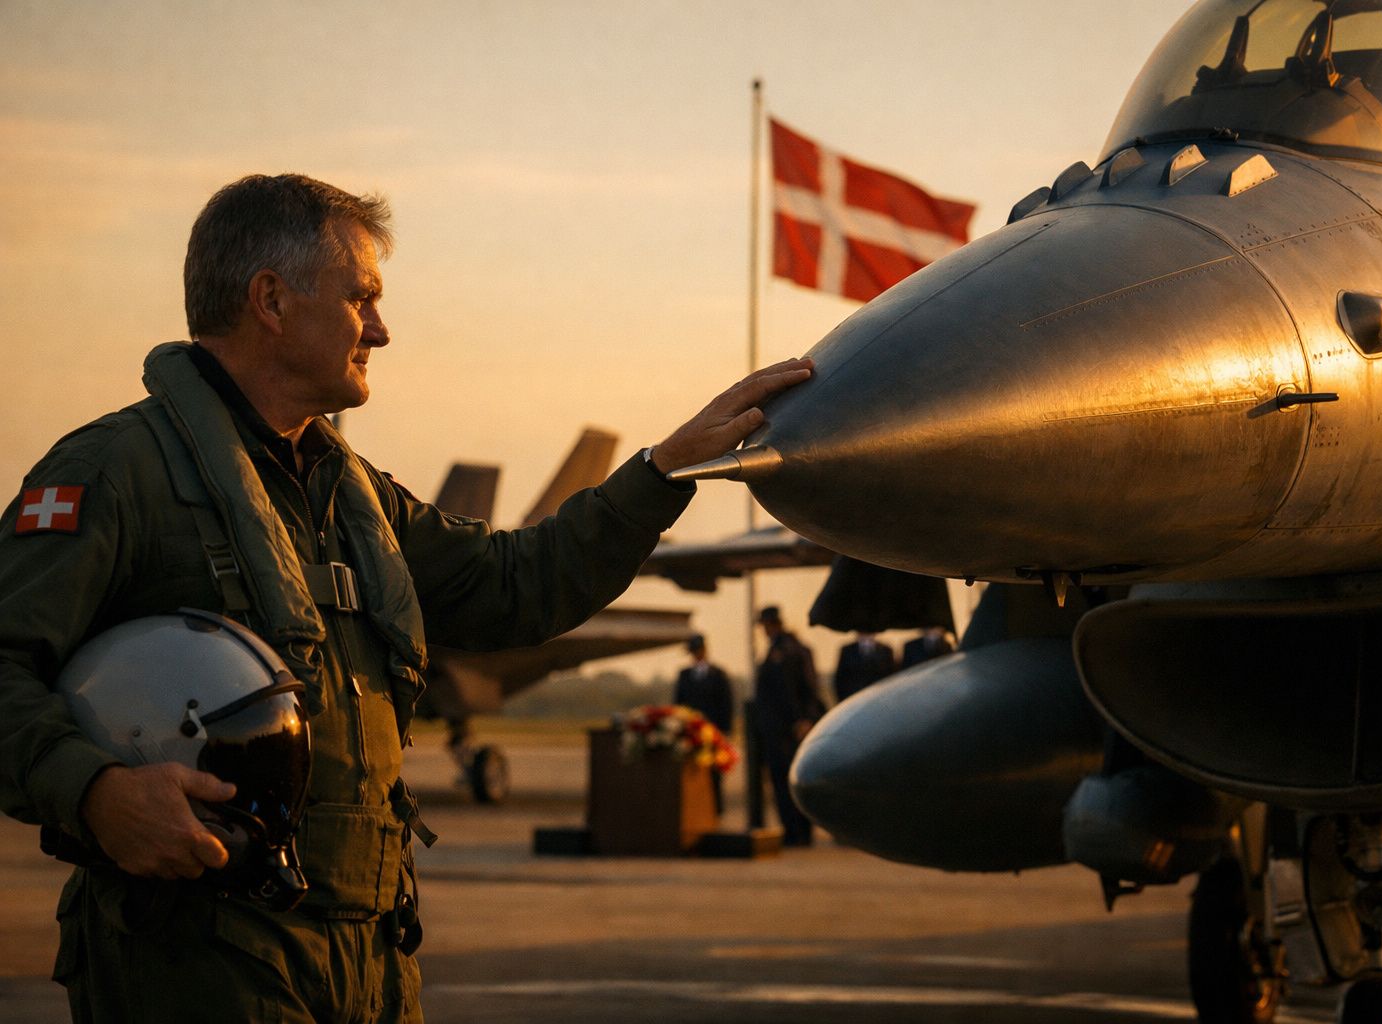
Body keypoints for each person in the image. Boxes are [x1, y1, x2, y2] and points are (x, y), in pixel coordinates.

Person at [0, 173, 812, 1023]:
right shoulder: (113, 474)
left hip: (371, 955)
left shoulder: (355, 497)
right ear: (271, 301)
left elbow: (514, 586)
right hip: (203, 956)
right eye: (363, 299)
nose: (382, 330)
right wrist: (96, 793)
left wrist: (661, 473)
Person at [752, 605, 824, 847]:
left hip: (788, 729)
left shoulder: (790, 651)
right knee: (785, 782)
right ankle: (795, 832)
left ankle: (798, 833)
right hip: (781, 728)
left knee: (787, 782)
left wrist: (805, 719)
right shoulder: (784, 649)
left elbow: (807, 689)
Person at [673, 633, 733, 814]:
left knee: (714, 775)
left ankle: (716, 812)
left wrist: (725, 731)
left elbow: (726, 704)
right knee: (692, 774)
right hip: (692, 733)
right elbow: (678, 704)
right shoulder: (684, 675)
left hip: (713, 732)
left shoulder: (719, 675)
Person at [832, 631, 896, 702]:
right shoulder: (847, 650)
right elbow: (840, 679)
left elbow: (891, 678)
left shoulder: (885, 650)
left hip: (879, 698)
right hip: (853, 699)